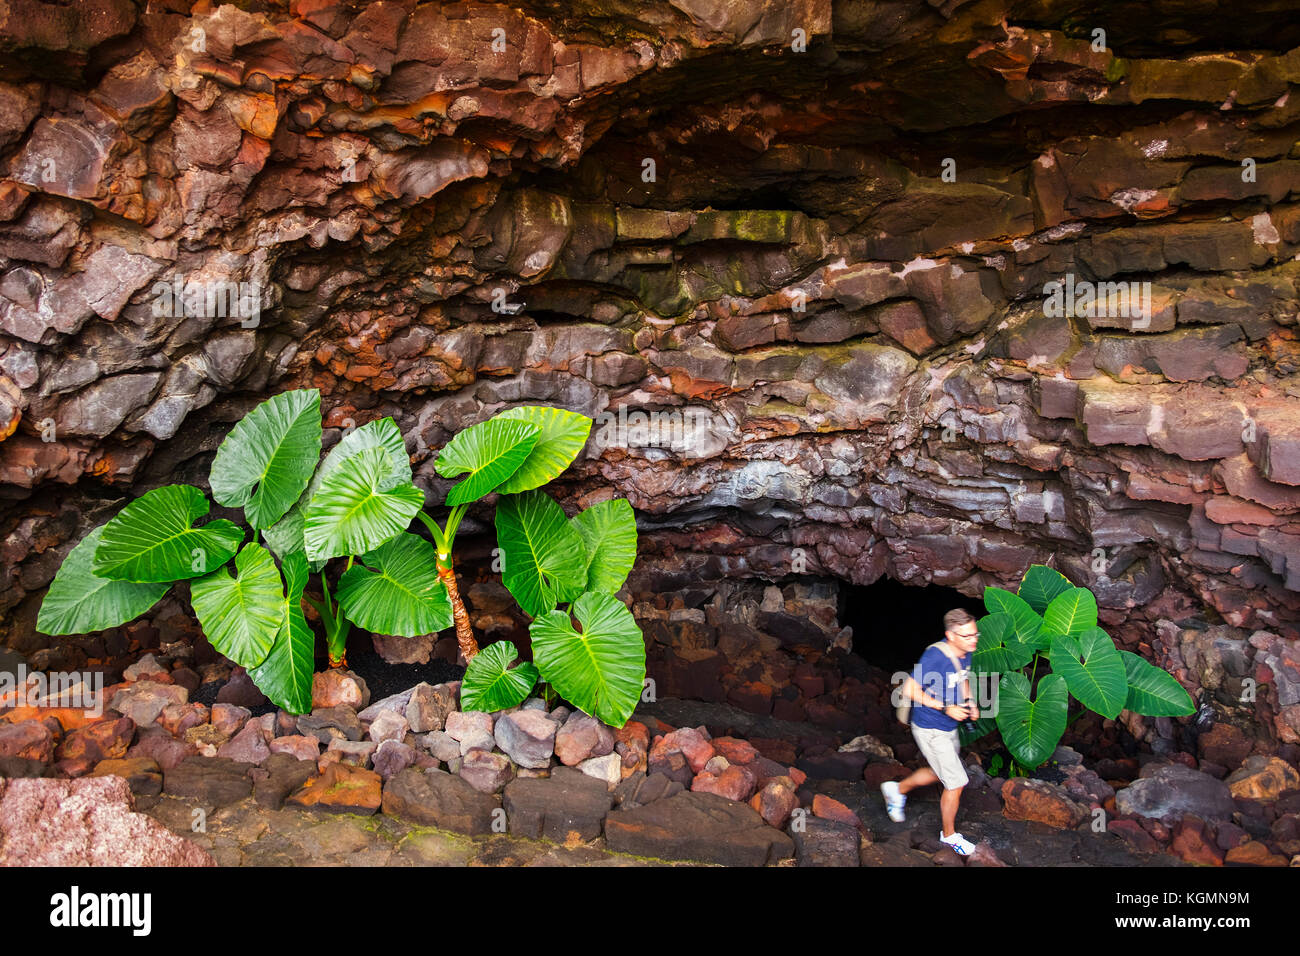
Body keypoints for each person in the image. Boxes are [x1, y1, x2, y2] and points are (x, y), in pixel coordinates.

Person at [881, 607, 981, 855]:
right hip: (930, 727)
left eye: (975, 634)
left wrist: (970, 702)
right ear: (951, 636)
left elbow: (963, 677)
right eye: (968, 636)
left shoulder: (966, 651)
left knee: (941, 773)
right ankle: (949, 836)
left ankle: (897, 790)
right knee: (957, 781)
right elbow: (909, 689)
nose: (974, 639)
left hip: (948, 727)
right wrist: (946, 707)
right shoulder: (935, 657)